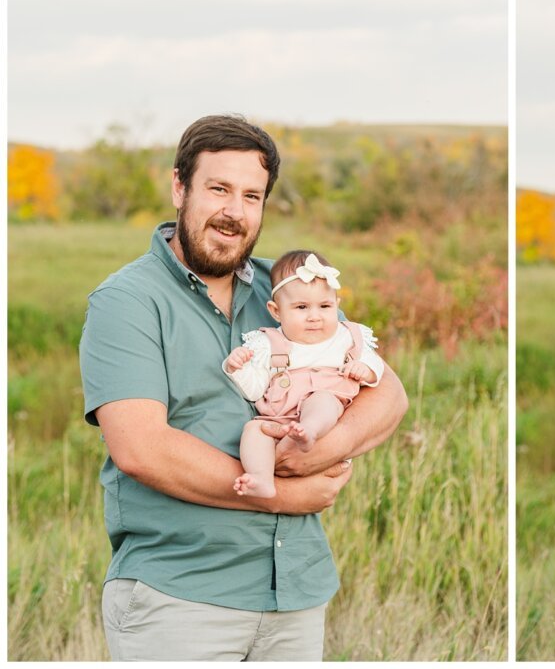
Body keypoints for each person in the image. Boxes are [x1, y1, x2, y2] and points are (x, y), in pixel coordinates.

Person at [79, 114, 408, 661]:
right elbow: (141, 449)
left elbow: (389, 394)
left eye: (252, 196)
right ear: (179, 187)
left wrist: (321, 450)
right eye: (219, 189)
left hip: (296, 597)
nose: (234, 211)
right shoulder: (127, 301)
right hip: (180, 598)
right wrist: (289, 493)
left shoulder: (290, 294)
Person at [225, 249, 385, 499]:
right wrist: (237, 368)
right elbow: (255, 390)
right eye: (301, 307)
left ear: (336, 305)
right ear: (276, 311)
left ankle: (309, 431)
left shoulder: (345, 336)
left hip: (325, 405)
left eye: (324, 306)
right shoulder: (269, 343)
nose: (314, 317)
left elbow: (376, 365)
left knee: (320, 400)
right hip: (280, 417)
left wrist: (365, 370)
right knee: (254, 431)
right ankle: (261, 478)